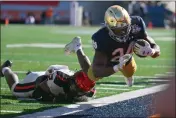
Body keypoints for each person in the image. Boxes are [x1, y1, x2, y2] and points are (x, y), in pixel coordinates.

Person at [66, 5, 160, 87]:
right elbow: (97, 70)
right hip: (108, 59)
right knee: (92, 76)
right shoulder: (101, 37)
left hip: (125, 57)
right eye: (118, 30)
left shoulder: (137, 24)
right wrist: (117, 67)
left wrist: (152, 51)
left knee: (130, 71)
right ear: (108, 27)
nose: (123, 33)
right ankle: (77, 47)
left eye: (125, 28)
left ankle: (128, 75)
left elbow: (155, 47)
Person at [0, 39, 97, 102]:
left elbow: (87, 70)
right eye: (76, 88)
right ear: (73, 80)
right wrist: (51, 98)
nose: (77, 91)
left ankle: (77, 47)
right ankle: (5, 68)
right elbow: (40, 86)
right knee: (15, 89)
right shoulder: (59, 81)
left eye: (80, 90)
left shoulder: (88, 87)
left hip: (51, 73)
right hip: (37, 81)